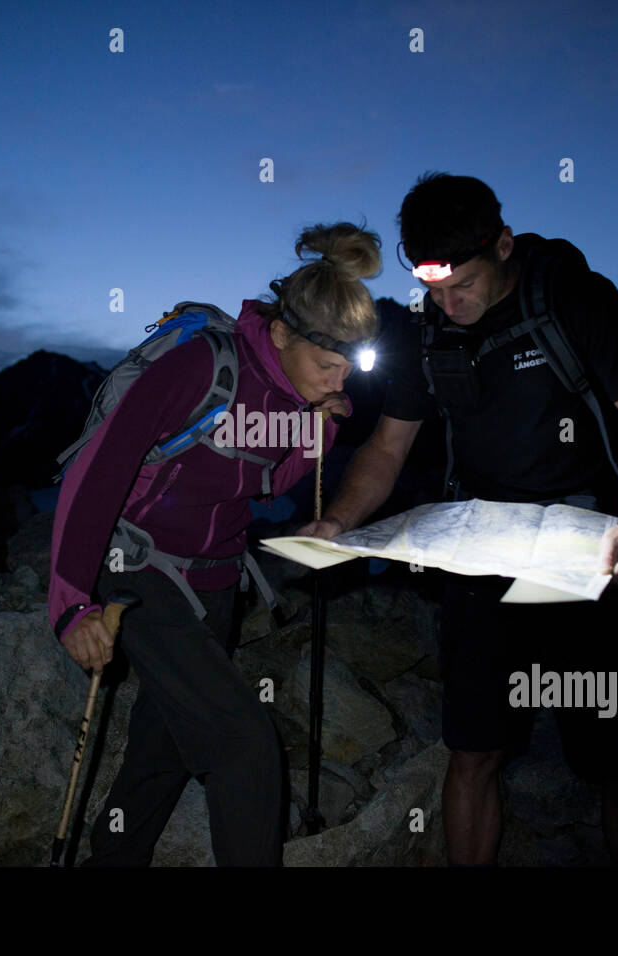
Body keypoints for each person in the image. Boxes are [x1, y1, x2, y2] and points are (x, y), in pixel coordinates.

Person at [298, 173, 618, 866]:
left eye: (461, 287)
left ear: (502, 244)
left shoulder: (568, 298)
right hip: (481, 555)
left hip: (585, 553)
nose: (447, 304)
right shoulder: (430, 329)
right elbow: (388, 446)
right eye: (433, 291)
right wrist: (335, 524)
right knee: (474, 748)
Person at [49, 222, 382, 866]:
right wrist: (69, 603)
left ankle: (112, 861)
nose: (339, 383)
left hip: (217, 578)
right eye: (327, 366)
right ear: (282, 333)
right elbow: (98, 470)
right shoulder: (201, 365)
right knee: (244, 744)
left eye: (350, 369)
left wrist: (323, 429)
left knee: (167, 739)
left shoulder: (300, 394)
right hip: (138, 568)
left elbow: (269, 486)